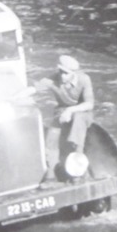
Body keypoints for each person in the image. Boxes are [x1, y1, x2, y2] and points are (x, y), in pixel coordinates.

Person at [37, 54, 94, 184]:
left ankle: (77, 164)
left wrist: (70, 110)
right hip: (61, 112)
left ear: (74, 73)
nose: (62, 76)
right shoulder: (55, 79)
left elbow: (89, 104)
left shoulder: (84, 79)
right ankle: (51, 171)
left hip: (82, 113)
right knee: (52, 137)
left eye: (66, 73)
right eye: (61, 72)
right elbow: (34, 88)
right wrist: (14, 96)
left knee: (79, 119)